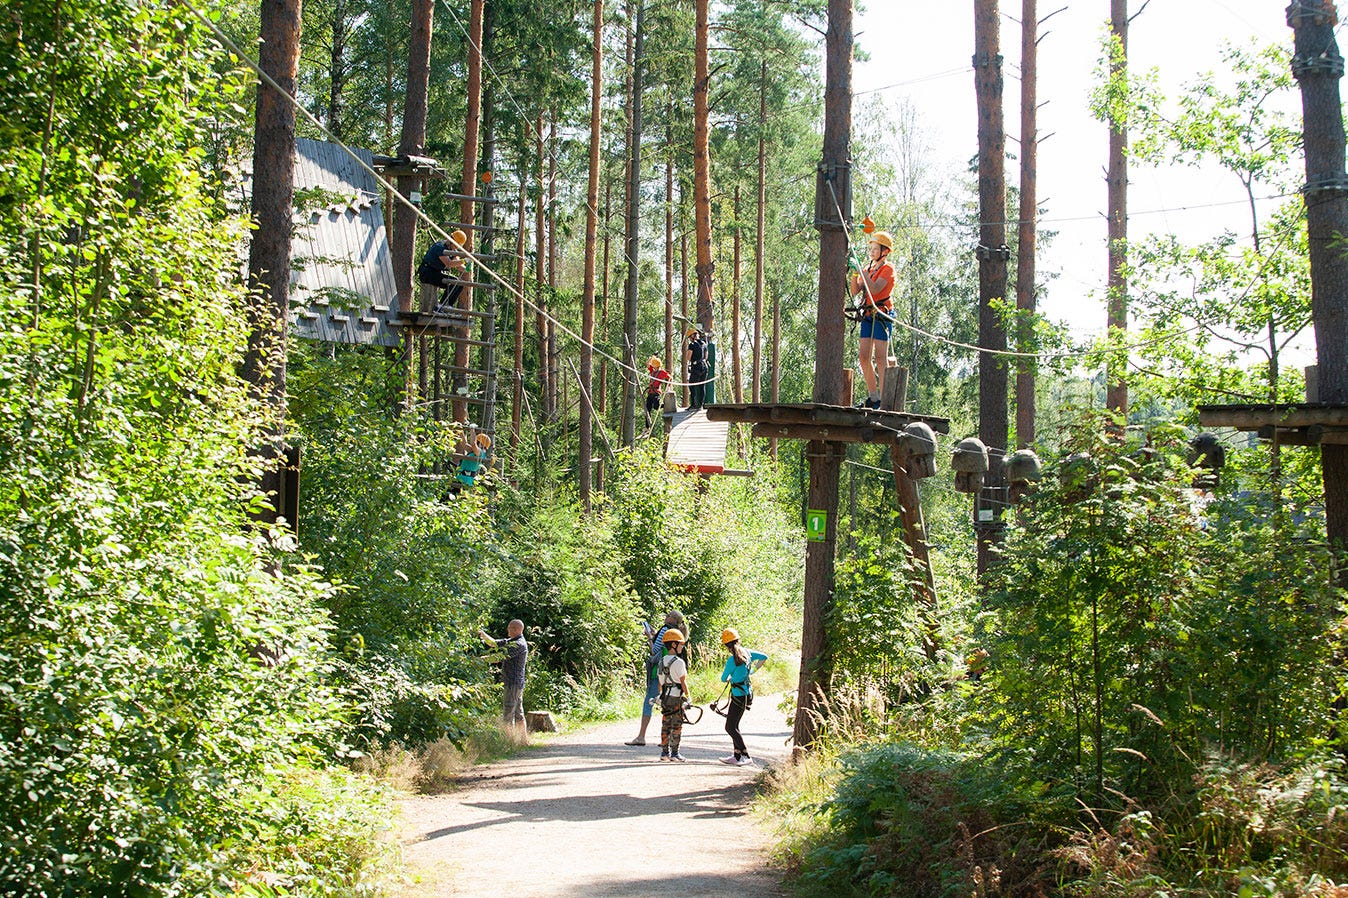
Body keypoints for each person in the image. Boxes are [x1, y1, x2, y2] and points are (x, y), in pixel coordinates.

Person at [626, 610, 688, 746]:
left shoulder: (665, 629)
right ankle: (670, 737)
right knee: (669, 703)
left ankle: (641, 736)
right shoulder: (677, 632)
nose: (666, 617)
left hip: (660, 671)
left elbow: (655, 650)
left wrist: (649, 637)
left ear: (672, 618)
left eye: (668, 615)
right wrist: (655, 635)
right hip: (674, 673)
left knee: (649, 701)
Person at [850, 230, 895, 409]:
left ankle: (885, 398)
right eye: (871, 248)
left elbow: (875, 289)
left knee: (880, 358)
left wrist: (862, 271)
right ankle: (874, 396)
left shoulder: (888, 269)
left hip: (882, 315)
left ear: (885, 251)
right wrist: (855, 274)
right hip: (868, 315)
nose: (872, 252)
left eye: (876, 249)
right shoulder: (869, 269)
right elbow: (855, 290)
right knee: (863, 356)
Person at [718, 628, 767, 766]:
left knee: (730, 727)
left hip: (738, 695)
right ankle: (736, 755)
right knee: (734, 725)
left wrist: (731, 678)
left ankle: (745, 755)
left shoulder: (731, 660)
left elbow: (723, 678)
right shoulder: (747, 653)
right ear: (738, 640)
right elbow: (764, 657)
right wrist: (752, 671)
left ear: (726, 645)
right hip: (747, 693)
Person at [479, 619, 528, 729]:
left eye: (509, 627)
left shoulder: (518, 644)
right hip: (514, 683)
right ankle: (522, 740)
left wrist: (478, 660)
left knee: (509, 712)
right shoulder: (512, 641)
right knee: (518, 712)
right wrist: (482, 634)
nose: (507, 629)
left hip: (513, 683)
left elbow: (498, 658)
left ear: (516, 629)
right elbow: (494, 643)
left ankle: (510, 739)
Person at [656, 628, 691, 761]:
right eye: (681, 644)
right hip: (676, 698)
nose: (682, 647)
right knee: (676, 725)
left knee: (665, 724)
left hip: (665, 698)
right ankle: (675, 754)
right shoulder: (679, 662)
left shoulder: (661, 661)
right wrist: (688, 698)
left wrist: (659, 696)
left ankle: (664, 753)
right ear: (674, 645)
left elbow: (660, 682)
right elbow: (683, 682)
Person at [417, 228, 470, 310]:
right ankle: (441, 306)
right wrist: (464, 261)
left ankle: (448, 306)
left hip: (436, 273)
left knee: (459, 284)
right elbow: (449, 263)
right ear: (451, 240)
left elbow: (459, 266)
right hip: (427, 273)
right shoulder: (440, 247)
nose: (455, 247)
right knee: (453, 282)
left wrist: (467, 269)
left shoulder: (453, 251)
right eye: (455, 245)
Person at [644, 356, 672, 429]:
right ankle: (647, 427)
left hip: (656, 392)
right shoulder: (652, 371)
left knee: (656, 407)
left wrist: (668, 387)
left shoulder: (661, 372)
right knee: (647, 409)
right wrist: (653, 357)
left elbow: (669, 378)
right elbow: (647, 363)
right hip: (650, 392)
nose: (654, 368)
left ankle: (663, 404)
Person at [685, 327, 709, 409]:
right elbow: (706, 357)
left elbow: (688, 357)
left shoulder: (692, 345)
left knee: (692, 385)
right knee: (702, 386)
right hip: (704, 367)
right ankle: (701, 405)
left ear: (692, 336)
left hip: (696, 367)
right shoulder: (704, 344)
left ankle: (693, 404)